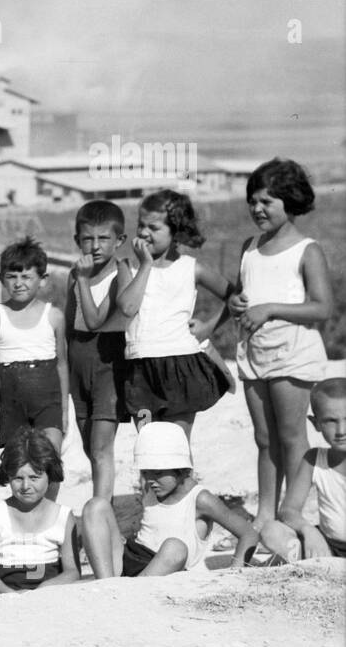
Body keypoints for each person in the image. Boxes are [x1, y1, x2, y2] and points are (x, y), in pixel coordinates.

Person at [229, 159, 332, 532]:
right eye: (253, 201)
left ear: (291, 202)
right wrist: (235, 303)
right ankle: (264, 513)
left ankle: (294, 512)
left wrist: (271, 308)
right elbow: (241, 294)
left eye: (267, 202)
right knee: (264, 438)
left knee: (291, 436)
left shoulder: (307, 249)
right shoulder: (249, 248)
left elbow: (322, 307)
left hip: (292, 352)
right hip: (254, 353)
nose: (257, 209)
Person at [117, 190, 233, 438]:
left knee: (177, 448)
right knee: (149, 448)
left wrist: (209, 326)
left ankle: (186, 478)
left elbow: (234, 298)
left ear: (175, 231)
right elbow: (127, 307)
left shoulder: (191, 268)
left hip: (180, 366)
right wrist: (146, 264)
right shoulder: (128, 266)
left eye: (154, 227)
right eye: (141, 225)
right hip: (140, 369)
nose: (143, 233)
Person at [80, 423, 259, 578]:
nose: (150, 480)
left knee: (175, 547)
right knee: (95, 506)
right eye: (145, 472)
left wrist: (235, 573)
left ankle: (129, 591)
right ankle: (106, 585)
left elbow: (248, 534)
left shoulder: (200, 499)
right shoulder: (152, 485)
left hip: (166, 567)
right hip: (131, 558)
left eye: (157, 473)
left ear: (180, 469)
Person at [0, 238, 68, 500]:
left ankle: (50, 514)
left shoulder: (53, 315)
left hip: (48, 401)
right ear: (1, 279)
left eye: (26, 276)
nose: (19, 283)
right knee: (18, 463)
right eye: (12, 276)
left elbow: (62, 364)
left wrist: (64, 409)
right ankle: (23, 516)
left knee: (50, 457)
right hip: (11, 402)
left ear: (42, 279)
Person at [66, 200, 131, 503]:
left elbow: (95, 322)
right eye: (87, 238)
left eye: (103, 238)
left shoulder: (120, 275)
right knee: (89, 447)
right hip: (78, 360)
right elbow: (69, 324)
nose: (94, 246)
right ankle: (101, 510)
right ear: (77, 239)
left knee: (102, 447)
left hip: (108, 360)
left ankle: (103, 513)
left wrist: (82, 279)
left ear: (119, 241)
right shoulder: (74, 274)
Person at [0, 430, 78, 595]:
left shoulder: (63, 516)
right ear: (7, 477)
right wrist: (8, 593)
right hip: (4, 593)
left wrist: (43, 590)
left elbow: (72, 571)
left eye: (34, 478)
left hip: (48, 593)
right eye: (18, 478)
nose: (25, 486)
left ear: (49, 474)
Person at [260, 377, 346, 560]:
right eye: (331, 421)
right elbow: (288, 510)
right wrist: (308, 531)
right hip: (328, 545)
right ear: (316, 423)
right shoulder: (314, 459)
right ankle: (319, 565)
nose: (341, 430)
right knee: (271, 531)